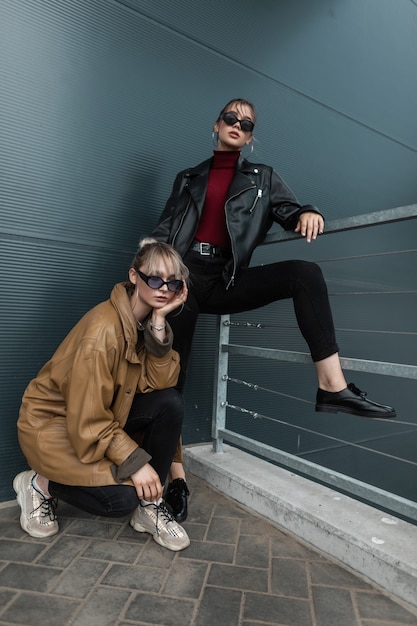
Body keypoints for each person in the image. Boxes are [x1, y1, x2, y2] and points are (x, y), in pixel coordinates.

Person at [150, 97, 397, 521]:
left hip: (226, 279)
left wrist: (307, 211)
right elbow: (165, 228)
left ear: (250, 137)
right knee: (173, 379)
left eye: (246, 124)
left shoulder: (262, 178)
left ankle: (332, 386)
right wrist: (153, 271)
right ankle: (174, 477)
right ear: (216, 125)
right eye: (230, 118)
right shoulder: (188, 177)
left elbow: (288, 211)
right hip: (184, 280)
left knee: (305, 273)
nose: (237, 125)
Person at [14, 240, 191, 552]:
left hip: (102, 418)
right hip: (57, 427)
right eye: (155, 279)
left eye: (173, 282)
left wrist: (160, 322)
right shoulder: (102, 332)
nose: (164, 288)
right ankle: (39, 483)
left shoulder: (144, 323)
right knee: (121, 500)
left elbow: (160, 383)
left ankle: (150, 505)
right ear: (134, 276)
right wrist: (135, 463)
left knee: (170, 404)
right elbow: (88, 420)